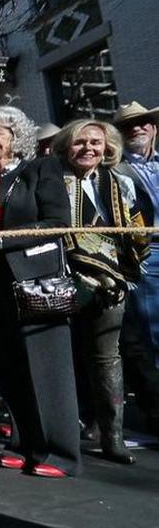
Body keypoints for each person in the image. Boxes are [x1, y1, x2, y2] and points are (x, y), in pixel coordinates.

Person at [0, 105, 80, 478]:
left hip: (37, 284)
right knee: (8, 368)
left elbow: (57, 223)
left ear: (17, 138)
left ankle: (60, 452)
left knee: (47, 368)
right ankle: (23, 443)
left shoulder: (40, 170)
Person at [52, 119, 148, 464]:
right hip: (62, 278)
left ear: (107, 147)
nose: (88, 149)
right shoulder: (52, 181)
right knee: (61, 356)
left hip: (111, 282)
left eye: (95, 142)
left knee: (107, 357)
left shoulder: (120, 182)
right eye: (80, 142)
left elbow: (137, 230)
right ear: (66, 146)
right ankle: (64, 432)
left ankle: (113, 436)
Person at [113, 101, 159, 435]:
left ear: (154, 127)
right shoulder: (116, 170)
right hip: (148, 254)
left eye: (142, 123)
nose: (137, 129)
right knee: (150, 333)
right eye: (129, 126)